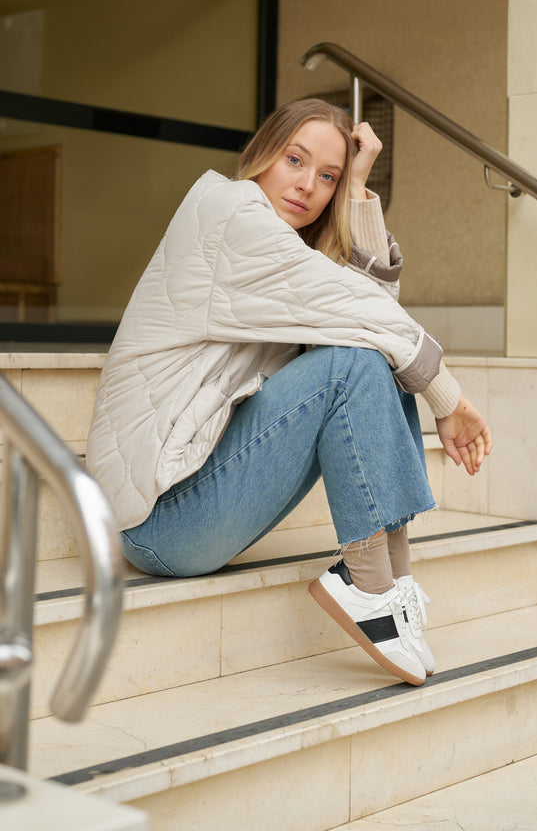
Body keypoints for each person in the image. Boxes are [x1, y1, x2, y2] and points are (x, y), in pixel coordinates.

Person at [86, 97, 492, 688]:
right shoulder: (229, 213)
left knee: (372, 359)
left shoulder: (284, 246)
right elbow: (363, 315)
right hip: (157, 520)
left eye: (326, 176)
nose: (307, 186)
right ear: (263, 154)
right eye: (294, 160)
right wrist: (449, 399)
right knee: (352, 363)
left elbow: (369, 313)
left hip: (194, 498)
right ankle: (369, 585)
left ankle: (390, 588)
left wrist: (358, 187)